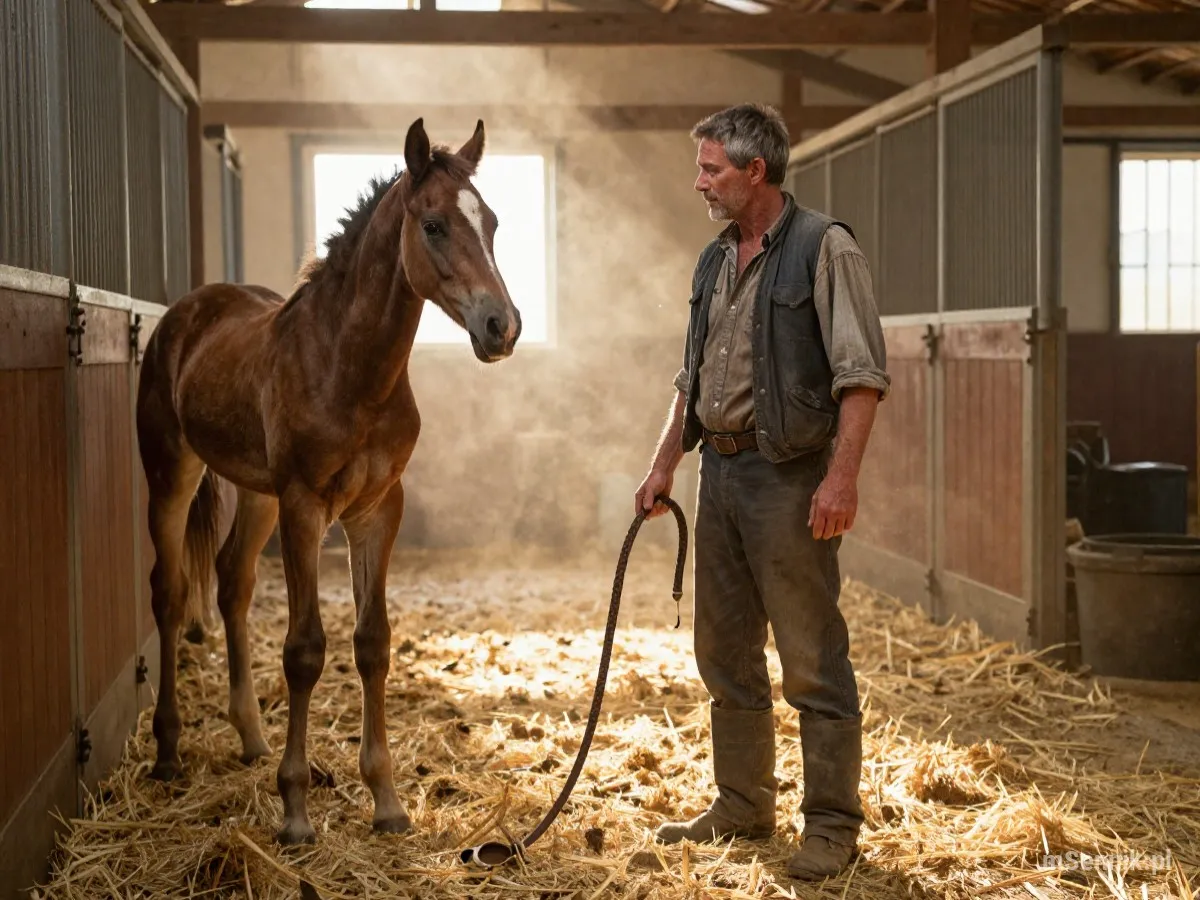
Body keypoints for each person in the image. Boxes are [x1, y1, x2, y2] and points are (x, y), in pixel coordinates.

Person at [635, 103, 889, 880]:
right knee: (724, 649)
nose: (699, 183)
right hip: (720, 474)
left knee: (811, 655)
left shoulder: (824, 248)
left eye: (711, 169)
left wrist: (841, 478)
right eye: (701, 168)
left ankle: (832, 826)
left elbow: (861, 376)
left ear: (756, 170)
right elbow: (692, 377)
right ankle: (743, 805)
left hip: (788, 478)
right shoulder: (713, 261)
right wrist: (663, 464)